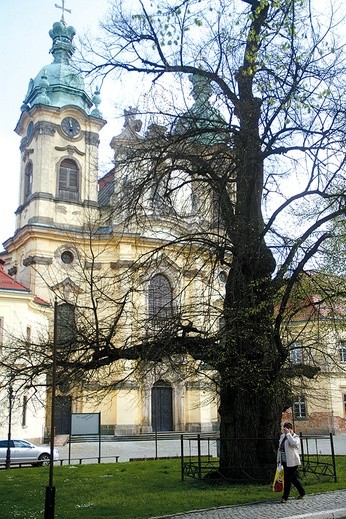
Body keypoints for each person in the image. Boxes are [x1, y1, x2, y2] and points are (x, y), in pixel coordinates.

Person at [277, 421, 305, 503]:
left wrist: (289, 434)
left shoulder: (295, 437)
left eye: (287, 429)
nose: (285, 431)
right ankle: (302, 492)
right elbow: (280, 448)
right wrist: (278, 460)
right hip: (284, 461)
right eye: (284, 429)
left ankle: (285, 497)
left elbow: (293, 444)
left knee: (287, 479)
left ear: (290, 429)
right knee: (293, 479)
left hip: (293, 462)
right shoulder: (282, 436)